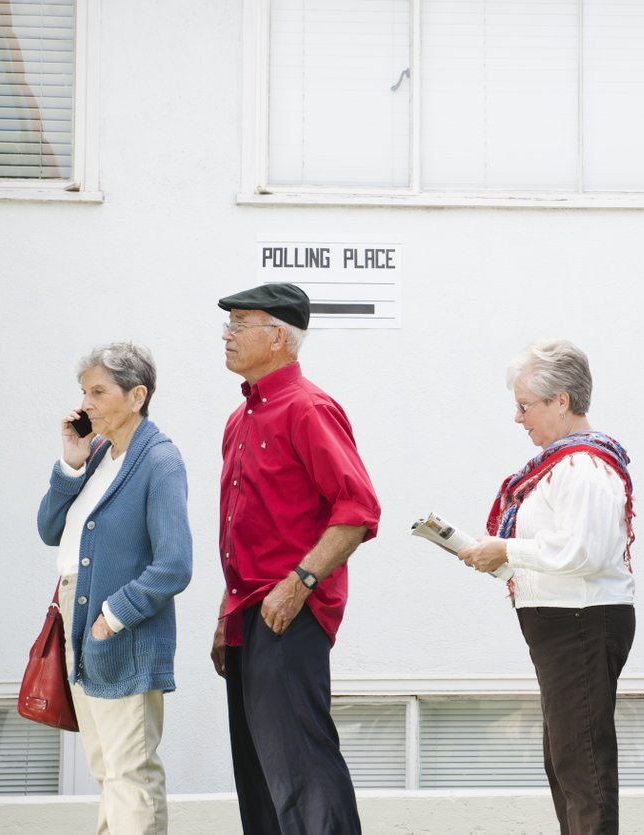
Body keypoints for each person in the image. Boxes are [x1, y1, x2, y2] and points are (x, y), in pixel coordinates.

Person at [210, 282, 380, 834]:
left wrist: (300, 582)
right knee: (259, 777)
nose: (227, 335)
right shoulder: (241, 418)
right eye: (228, 325)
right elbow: (244, 528)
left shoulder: (308, 408)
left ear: (278, 336)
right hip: (248, 615)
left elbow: (357, 509)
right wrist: (224, 614)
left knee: (302, 772)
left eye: (240, 325)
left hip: (290, 612)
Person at [457, 339, 636, 835]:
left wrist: (507, 551)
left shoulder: (584, 467)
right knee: (566, 761)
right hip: (563, 622)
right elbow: (558, 551)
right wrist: (494, 557)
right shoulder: (562, 464)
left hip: (580, 621)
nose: (518, 418)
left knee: (581, 763)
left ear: (562, 400)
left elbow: (583, 552)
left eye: (524, 405)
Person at [36, 341, 193, 834]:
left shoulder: (160, 462)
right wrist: (71, 463)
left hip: (120, 631)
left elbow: (174, 564)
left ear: (137, 395)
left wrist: (112, 617)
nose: (86, 404)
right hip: (78, 621)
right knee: (107, 771)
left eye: (99, 392)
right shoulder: (99, 455)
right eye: (84, 391)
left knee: (131, 773)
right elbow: (48, 529)